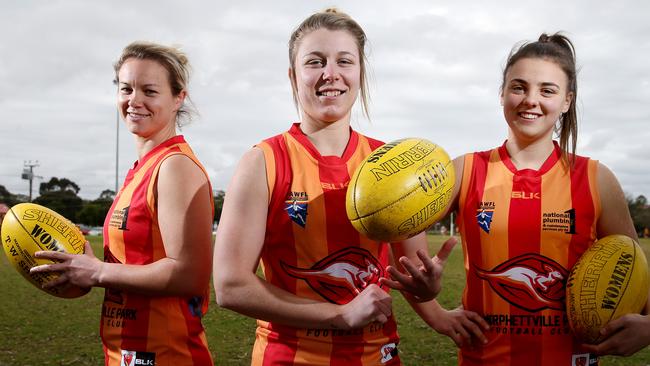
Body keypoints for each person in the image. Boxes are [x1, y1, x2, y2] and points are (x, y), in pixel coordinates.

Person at [212, 8, 471, 365]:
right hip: (289, 357)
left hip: (376, 355)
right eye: (315, 62)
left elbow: (411, 270)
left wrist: (429, 293)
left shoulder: (393, 161)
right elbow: (230, 286)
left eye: (344, 61)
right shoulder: (263, 161)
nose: (330, 74)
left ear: (360, 73)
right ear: (293, 76)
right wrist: (338, 314)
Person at [383, 33, 649, 364]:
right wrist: (433, 310)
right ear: (502, 94)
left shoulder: (597, 179)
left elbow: (636, 270)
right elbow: (399, 224)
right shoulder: (466, 170)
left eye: (547, 90)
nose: (530, 100)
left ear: (567, 101)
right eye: (519, 87)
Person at [30, 42, 214, 365]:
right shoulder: (140, 169)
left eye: (150, 91)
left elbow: (189, 275)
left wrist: (100, 272)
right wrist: (88, 263)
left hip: (166, 354)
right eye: (126, 88)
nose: (134, 101)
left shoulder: (174, 166)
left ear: (178, 98)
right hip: (127, 353)